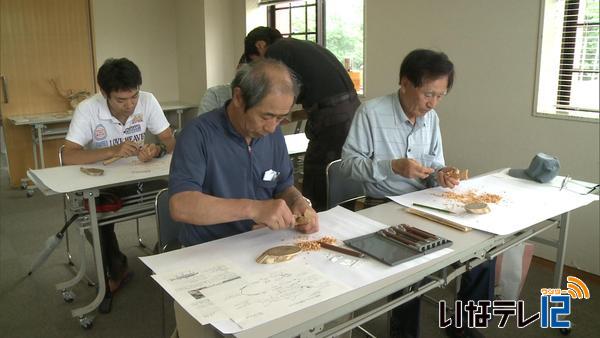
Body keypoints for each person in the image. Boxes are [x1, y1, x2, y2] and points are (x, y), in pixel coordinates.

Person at [340, 49, 494, 338]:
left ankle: (465, 325)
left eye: (440, 95)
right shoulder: (371, 113)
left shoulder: (431, 118)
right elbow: (347, 167)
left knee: (483, 248)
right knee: (411, 265)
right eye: (427, 93)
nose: (432, 103)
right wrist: (392, 167)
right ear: (405, 82)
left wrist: (442, 173)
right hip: (382, 204)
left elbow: (434, 163)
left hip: (424, 202)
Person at [168, 59, 318, 337]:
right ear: (238, 97)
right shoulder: (198, 135)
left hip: (261, 248)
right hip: (210, 253)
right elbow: (181, 205)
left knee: (311, 310)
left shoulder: (270, 136)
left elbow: (283, 185)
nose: (273, 128)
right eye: (266, 116)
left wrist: (298, 201)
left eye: (281, 118)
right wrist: (254, 209)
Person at [63, 57, 175, 313]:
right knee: (96, 214)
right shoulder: (87, 109)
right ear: (104, 94)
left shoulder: (148, 100)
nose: (129, 105)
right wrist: (111, 150)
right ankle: (117, 269)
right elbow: (69, 155)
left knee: (173, 196)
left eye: (133, 97)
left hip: (139, 175)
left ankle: (168, 255)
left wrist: (156, 149)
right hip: (103, 181)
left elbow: (170, 141)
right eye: (121, 100)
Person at [244, 26, 361, 212]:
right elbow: (318, 97)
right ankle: (342, 219)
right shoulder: (300, 46)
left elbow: (277, 90)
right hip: (352, 113)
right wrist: (288, 115)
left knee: (318, 173)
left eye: (255, 62)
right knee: (340, 172)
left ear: (260, 45)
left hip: (332, 119)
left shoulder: (276, 52)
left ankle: (316, 223)